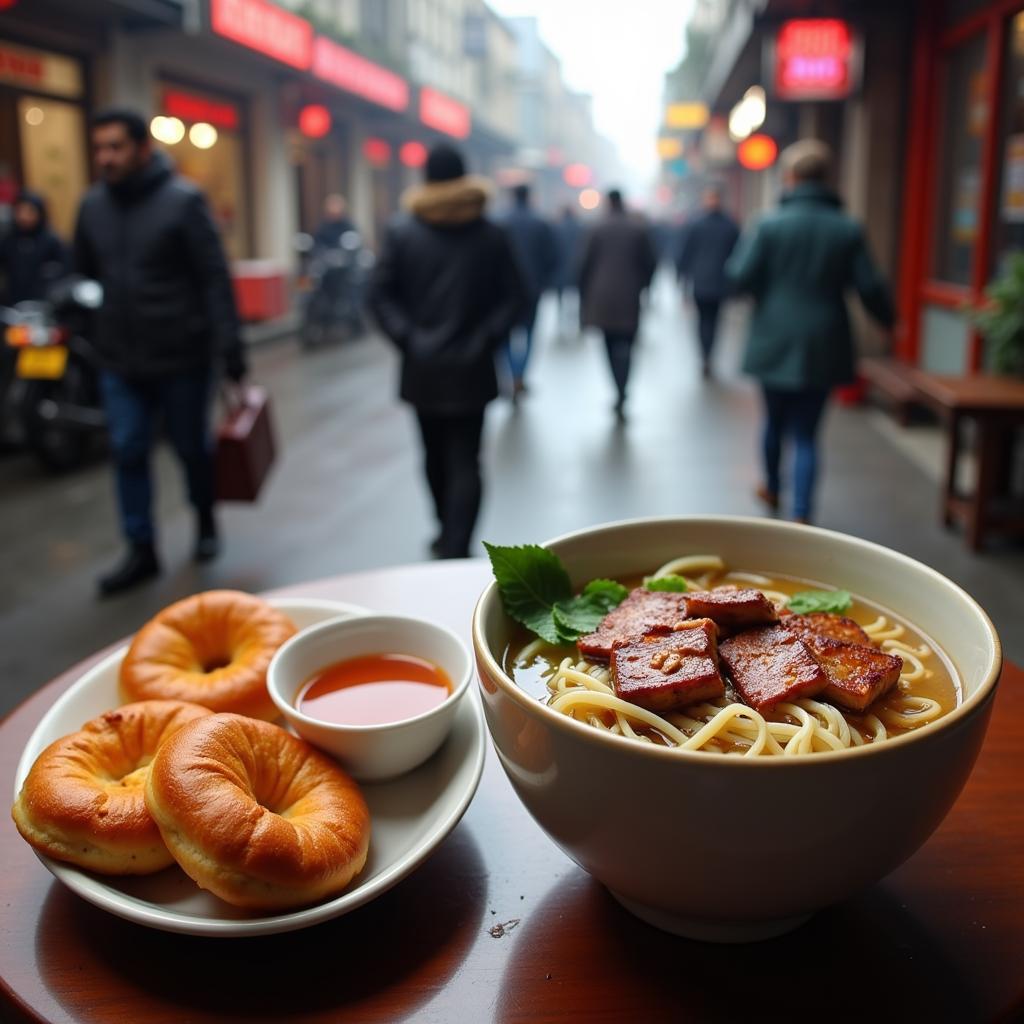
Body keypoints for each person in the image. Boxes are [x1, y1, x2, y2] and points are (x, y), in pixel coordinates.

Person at [73, 108, 247, 595]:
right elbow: (83, 273)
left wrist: (229, 349)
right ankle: (141, 549)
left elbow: (214, 278)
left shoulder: (183, 201)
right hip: (119, 360)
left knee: (191, 448)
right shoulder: (91, 208)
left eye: (116, 146)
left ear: (143, 149)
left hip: (182, 359)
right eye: (100, 147)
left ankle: (205, 519)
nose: (106, 157)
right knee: (128, 450)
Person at [368, 144, 527, 559]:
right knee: (466, 459)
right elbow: (516, 296)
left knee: (433, 453)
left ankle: (445, 531)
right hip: (473, 366)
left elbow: (379, 295)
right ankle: (457, 542)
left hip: (422, 367)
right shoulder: (491, 233)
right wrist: (486, 337)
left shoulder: (403, 232)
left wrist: (408, 336)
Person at [727, 139, 894, 524]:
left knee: (773, 420)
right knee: (806, 432)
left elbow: (738, 277)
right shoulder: (847, 229)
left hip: (773, 337)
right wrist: (888, 320)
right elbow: (870, 286)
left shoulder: (767, 225)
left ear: (790, 177)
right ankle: (801, 512)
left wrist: (766, 296)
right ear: (826, 177)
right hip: (825, 339)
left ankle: (771, 487)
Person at [578, 188, 658, 420]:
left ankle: (617, 388)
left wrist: (583, 295)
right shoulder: (638, 229)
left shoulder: (596, 228)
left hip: (601, 298)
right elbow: (651, 263)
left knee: (608, 345)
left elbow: (583, 265)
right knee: (626, 346)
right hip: (629, 297)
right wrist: (643, 285)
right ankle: (623, 389)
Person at [500, 183, 558, 400]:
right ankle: (520, 375)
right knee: (530, 333)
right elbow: (552, 257)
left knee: (504, 334)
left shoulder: (500, 221)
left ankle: (511, 372)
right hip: (532, 289)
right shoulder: (540, 223)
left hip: (503, 291)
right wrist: (544, 281)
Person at [675, 184, 739, 378]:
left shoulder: (718, 225)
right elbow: (686, 254)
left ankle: (706, 355)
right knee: (708, 320)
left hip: (712, 282)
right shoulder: (725, 224)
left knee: (709, 321)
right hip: (708, 282)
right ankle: (706, 355)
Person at [0, 190, 69, 306]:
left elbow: (65, 272)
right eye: (19, 211)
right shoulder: (8, 240)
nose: (23, 216)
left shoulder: (52, 241)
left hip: (46, 303)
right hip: (15, 303)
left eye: (30, 211)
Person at [554, 204, 583, 333]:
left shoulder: (557, 228)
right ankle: (578, 324)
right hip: (577, 268)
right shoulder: (581, 228)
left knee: (560, 298)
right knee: (578, 297)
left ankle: (561, 323)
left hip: (560, 269)